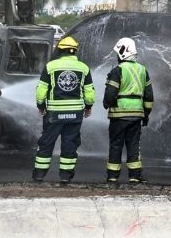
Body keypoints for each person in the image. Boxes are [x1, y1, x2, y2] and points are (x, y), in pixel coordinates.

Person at [32, 35, 96, 183]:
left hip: (53, 114)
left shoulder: (50, 66)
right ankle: (66, 176)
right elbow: (90, 93)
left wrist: (41, 106)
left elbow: (41, 90)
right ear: (75, 51)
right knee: (70, 144)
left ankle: (39, 175)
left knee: (46, 143)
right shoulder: (84, 68)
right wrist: (88, 107)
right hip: (75, 115)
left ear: (60, 50)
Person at [103, 37, 153, 184]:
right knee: (133, 145)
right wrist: (146, 114)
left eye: (117, 53)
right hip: (136, 115)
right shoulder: (143, 70)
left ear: (123, 52)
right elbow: (149, 96)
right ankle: (134, 176)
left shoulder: (118, 70)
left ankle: (112, 176)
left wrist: (107, 103)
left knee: (116, 144)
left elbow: (111, 93)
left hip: (118, 115)